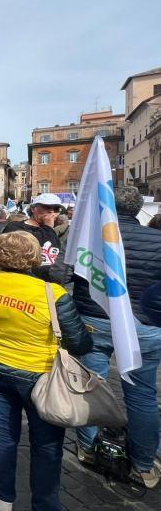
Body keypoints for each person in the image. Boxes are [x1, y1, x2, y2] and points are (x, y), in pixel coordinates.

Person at [0, 231, 91, 511]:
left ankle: (2, 498)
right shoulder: (52, 293)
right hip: (40, 373)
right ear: (34, 256)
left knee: (2, 434)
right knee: (47, 445)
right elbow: (78, 342)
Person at [73, 187, 161, 488]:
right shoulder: (157, 240)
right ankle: (144, 464)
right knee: (143, 396)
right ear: (138, 209)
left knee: (89, 386)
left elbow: (71, 276)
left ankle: (88, 447)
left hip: (95, 320)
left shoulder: (90, 239)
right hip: (143, 326)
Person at [2, 194, 66, 283]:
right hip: (25, 282)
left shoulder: (51, 230)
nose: (52, 212)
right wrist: (48, 228)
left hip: (49, 284)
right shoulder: (15, 227)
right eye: (47, 207)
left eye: (56, 209)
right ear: (33, 209)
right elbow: (28, 246)